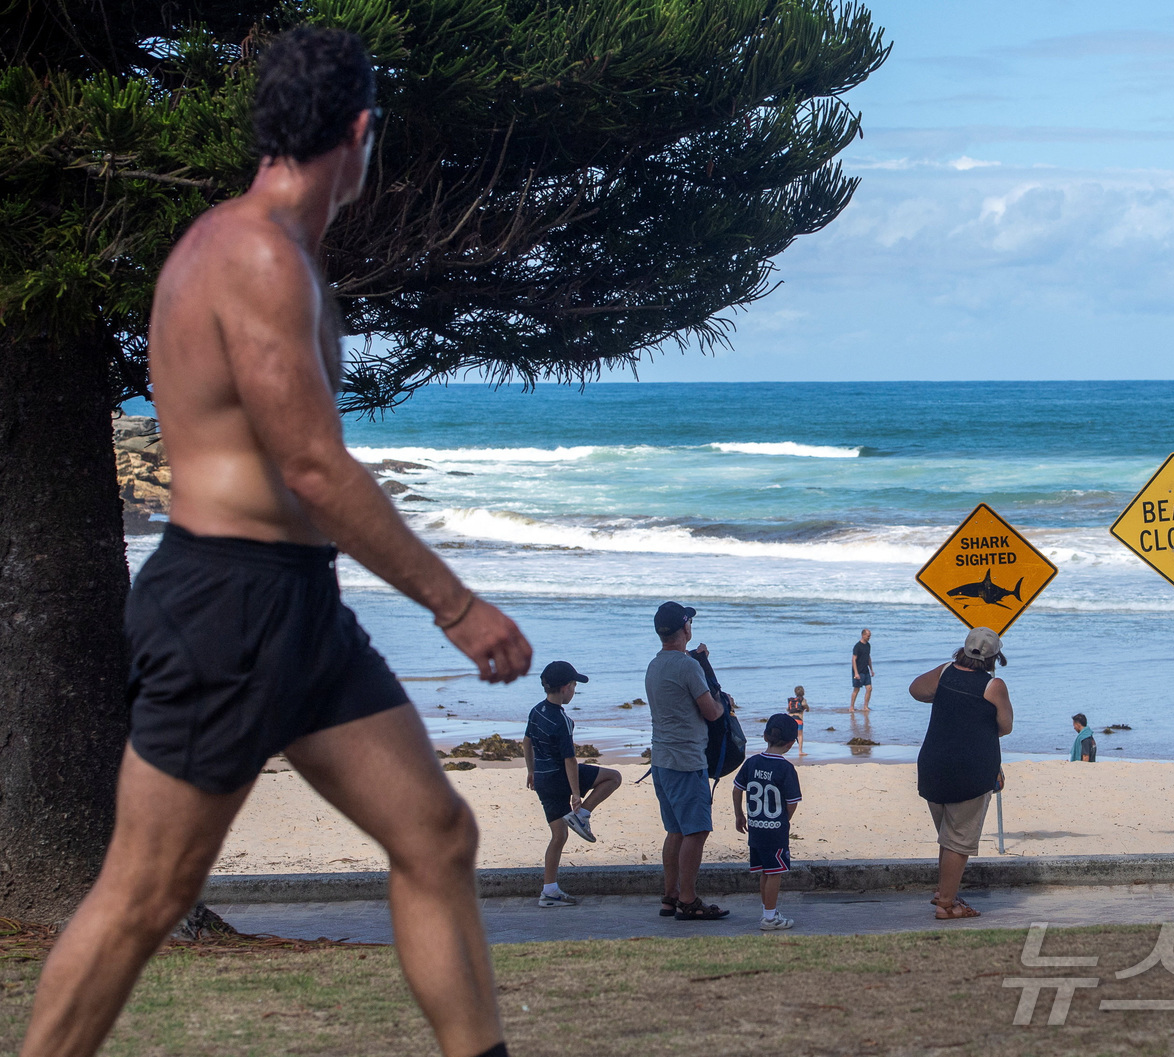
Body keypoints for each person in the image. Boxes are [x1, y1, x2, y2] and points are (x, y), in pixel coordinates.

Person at [20, 28, 530, 1057]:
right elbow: (311, 466)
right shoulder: (252, 255)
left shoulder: (276, 251)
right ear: (358, 132)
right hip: (226, 607)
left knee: (434, 834)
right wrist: (456, 604)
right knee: (144, 895)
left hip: (296, 605)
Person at [909, 627, 1013, 921]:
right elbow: (1005, 726)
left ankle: (946, 893)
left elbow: (916, 689)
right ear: (995, 657)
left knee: (947, 837)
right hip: (971, 769)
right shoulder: (993, 686)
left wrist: (946, 699)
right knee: (959, 842)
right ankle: (946, 905)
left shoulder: (944, 673)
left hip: (932, 764)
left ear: (963, 650)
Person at [645, 601, 729, 921]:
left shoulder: (655, 665)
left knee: (676, 831)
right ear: (685, 629)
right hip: (686, 761)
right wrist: (724, 705)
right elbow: (711, 712)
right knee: (696, 831)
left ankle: (670, 896)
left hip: (662, 759)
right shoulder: (687, 666)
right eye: (689, 622)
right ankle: (689, 899)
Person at [524, 661, 622, 907]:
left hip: (543, 780)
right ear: (566, 687)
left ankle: (549, 891)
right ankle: (583, 815)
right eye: (575, 685)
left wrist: (531, 770)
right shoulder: (562, 720)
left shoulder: (536, 711)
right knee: (614, 777)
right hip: (560, 777)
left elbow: (526, 742)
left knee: (559, 835)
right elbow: (570, 760)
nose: (575, 690)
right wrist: (577, 795)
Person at [732, 714, 803, 930]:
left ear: (765, 736)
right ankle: (770, 918)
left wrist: (739, 815)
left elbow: (737, 789)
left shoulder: (752, 762)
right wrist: (784, 820)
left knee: (765, 871)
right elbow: (792, 802)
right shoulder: (786, 768)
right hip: (775, 830)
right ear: (791, 744)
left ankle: (768, 911)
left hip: (756, 828)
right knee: (775, 874)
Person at [849, 628, 874, 712]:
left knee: (869, 688)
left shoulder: (868, 645)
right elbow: (853, 659)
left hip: (866, 670)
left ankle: (865, 706)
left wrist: (871, 669)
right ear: (863, 635)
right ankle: (851, 707)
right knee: (856, 689)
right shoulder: (857, 646)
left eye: (870, 636)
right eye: (868, 636)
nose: (869, 637)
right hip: (858, 671)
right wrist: (856, 673)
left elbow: (868, 657)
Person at [786, 685, 809, 755]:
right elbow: (804, 705)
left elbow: (787, 709)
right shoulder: (802, 699)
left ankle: (783, 750)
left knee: (787, 734)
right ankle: (800, 751)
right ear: (803, 692)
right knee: (800, 735)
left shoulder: (792, 701)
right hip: (798, 719)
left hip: (790, 718)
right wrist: (807, 708)